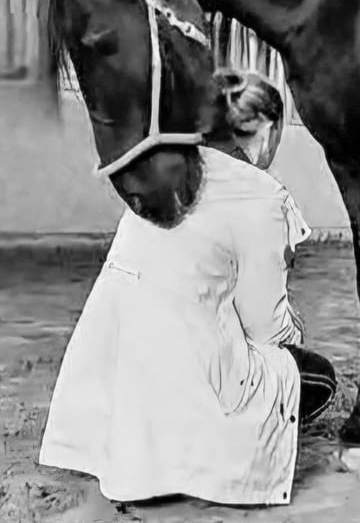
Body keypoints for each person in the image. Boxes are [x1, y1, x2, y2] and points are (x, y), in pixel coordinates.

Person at [37, 70, 336, 507]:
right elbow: (265, 325)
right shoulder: (261, 195)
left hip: (110, 373)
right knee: (314, 375)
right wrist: (292, 341)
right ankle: (214, 452)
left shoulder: (165, 170)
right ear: (268, 130)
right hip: (187, 369)